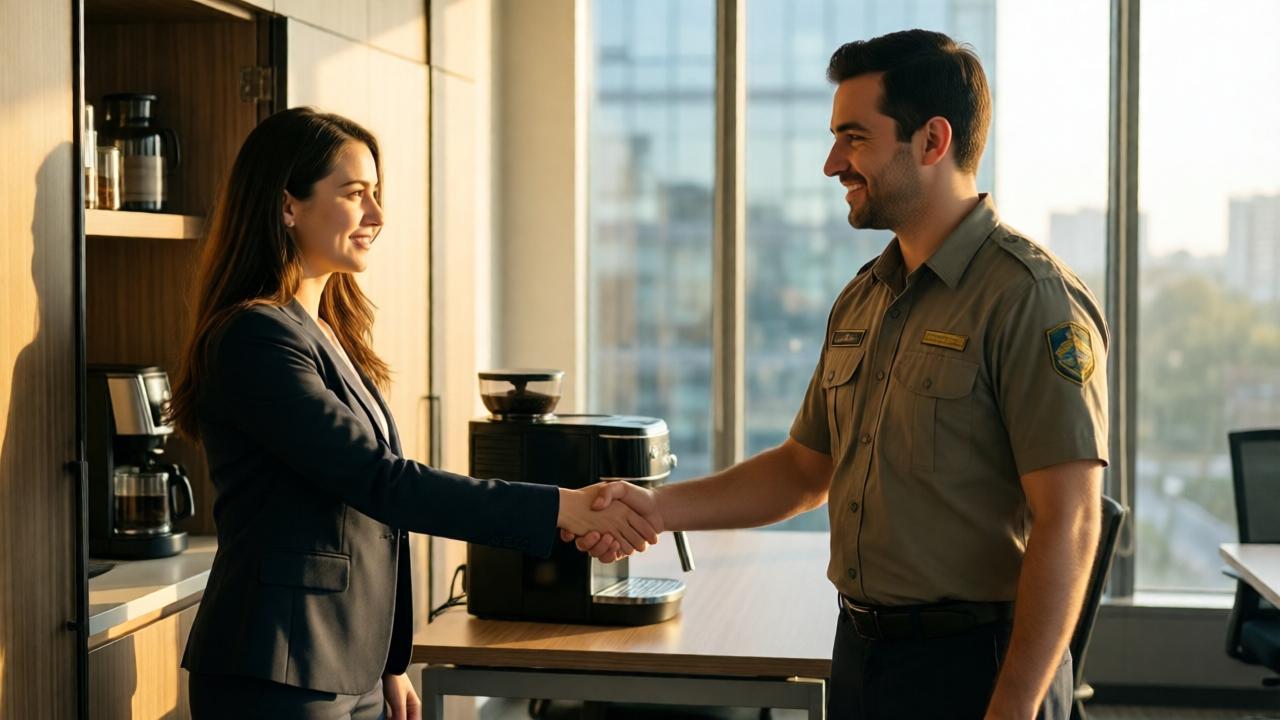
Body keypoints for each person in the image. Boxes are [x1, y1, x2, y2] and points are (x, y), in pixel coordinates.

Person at [567, 29, 1107, 720]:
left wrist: (1014, 708)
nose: (831, 163)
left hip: (981, 669)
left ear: (932, 142)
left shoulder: (1030, 298)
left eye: (854, 137)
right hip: (862, 654)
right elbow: (801, 471)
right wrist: (655, 507)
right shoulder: (865, 297)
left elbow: (1072, 519)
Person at [170, 107, 659, 720]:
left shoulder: (321, 331)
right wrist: (562, 506)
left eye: (376, 194)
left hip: (345, 659)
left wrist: (386, 662)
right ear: (287, 205)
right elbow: (380, 482)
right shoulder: (255, 337)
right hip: (280, 665)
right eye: (354, 194)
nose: (376, 215)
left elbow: (356, 512)